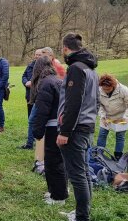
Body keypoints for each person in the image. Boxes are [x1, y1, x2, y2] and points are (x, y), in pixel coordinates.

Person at [56, 33, 99, 221]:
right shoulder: (91, 70)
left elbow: (74, 102)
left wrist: (65, 131)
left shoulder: (75, 69)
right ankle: (83, 211)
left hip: (75, 129)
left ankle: (82, 216)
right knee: (84, 171)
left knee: (77, 174)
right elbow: (97, 101)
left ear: (65, 49)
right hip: (87, 125)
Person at [31, 56, 68, 205]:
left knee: (53, 163)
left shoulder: (46, 84)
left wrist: (37, 131)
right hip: (60, 126)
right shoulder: (57, 80)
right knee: (59, 161)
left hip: (53, 127)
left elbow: (42, 111)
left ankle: (58, 197)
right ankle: (57, 190)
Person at [97, 74, 128, 160]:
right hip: (107, 116)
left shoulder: (123, 90)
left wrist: (125, 117)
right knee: (102, 134)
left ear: (113, 86)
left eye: (108, 89)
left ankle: (118, 156)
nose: (106, 90)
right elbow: (99, 105)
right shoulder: (99, 90)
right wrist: (103, 117)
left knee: (120, 136)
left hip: (121, 116)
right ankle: (99, 155)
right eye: (104, 88)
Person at [20, 49, 43, 149]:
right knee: (30, 117)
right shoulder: (30, 65)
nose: (37, 56)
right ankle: (31, 136)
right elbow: (24, 75)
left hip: (38, 97)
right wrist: (26, 82)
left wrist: (32, 83)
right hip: (29, 95)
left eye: (39, 55)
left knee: (35, 119)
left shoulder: (43, 67)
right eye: (36, 54)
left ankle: (34, 139)